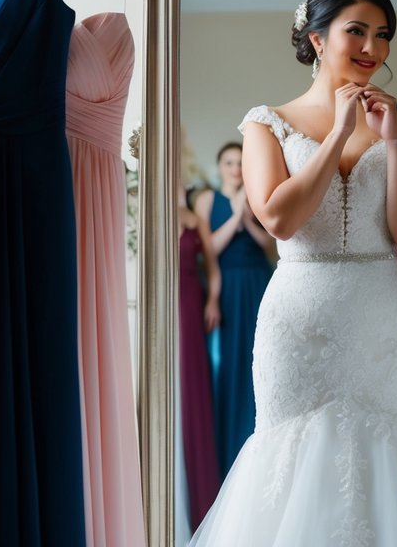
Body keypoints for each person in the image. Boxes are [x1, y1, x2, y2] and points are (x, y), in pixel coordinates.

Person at [188, 0, 397, 545]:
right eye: (356, 31)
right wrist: (338, 134)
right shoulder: (266, 122)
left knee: (396, 469)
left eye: (383, 36)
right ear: (315, 37)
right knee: (291, 465)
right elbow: (280, 219)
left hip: (389, 323)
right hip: (299, 322)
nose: (373, 50)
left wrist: (389, 142)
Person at [193, 142, 274, 476]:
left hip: (258, 282)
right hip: (227, 287)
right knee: (230, 363)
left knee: (263, 362)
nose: (235, 168)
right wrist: (236, 216)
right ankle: (228, 452)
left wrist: (248, 216)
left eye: (241, 162)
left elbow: (270, 245)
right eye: (229, 162)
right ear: (219, 165)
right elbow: (208, 248)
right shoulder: (208, 200)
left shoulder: (259, 196)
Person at [177, 182, 222, 530]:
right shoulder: (147, 208)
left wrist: (211, 301)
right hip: (162, 298)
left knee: (192, 382)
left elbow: (212, 267)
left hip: (191, 301)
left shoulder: (195, 220)